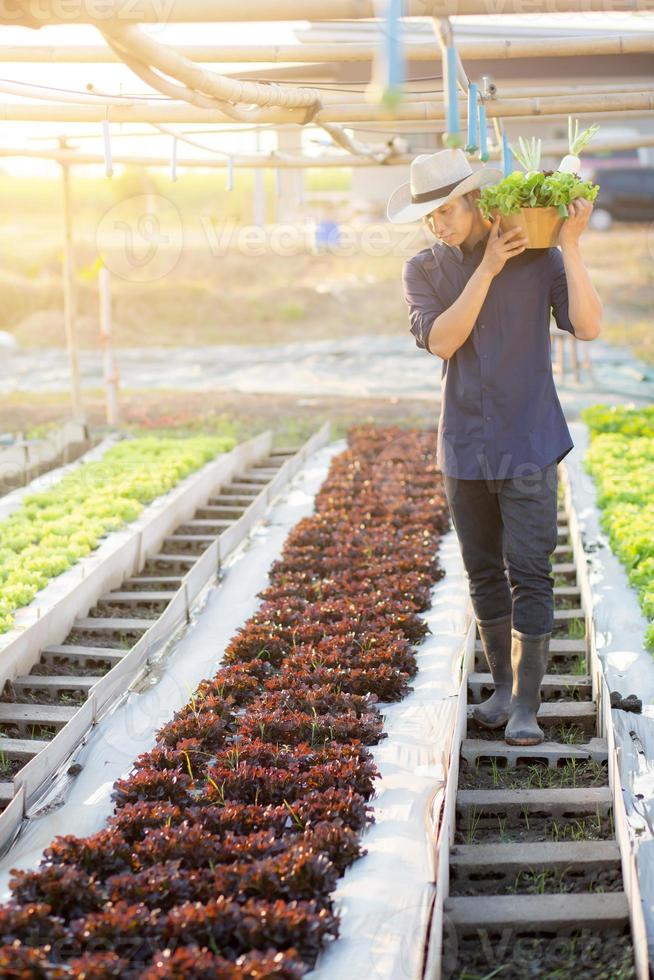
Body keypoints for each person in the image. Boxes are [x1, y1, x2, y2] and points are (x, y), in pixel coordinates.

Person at [387, 148, 602, 745]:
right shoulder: (424, 270)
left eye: (447, 209)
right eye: (429, 216)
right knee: (483, 571)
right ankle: (502, 689)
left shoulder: (539, 257)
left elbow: (587, 326)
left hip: (529, 439)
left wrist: (573, 247)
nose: (439, 223)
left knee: (530, 572)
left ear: (477, 200)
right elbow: (443, 341)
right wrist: (485, 270)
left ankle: (527, 705)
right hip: (464, 444)